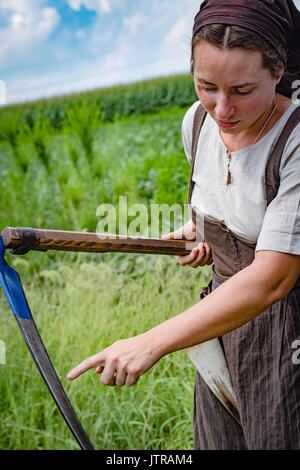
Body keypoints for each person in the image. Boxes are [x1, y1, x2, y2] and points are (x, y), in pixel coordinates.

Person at [67, 0, 300, 450]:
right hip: (220, 323)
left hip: (285, 330)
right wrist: (200, 231)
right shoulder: (195, 124)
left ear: (278, 70)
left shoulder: (293, 139)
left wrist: (152, 342)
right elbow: (222, 201)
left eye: (242, 89)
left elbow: (274, 276)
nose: (222, 108)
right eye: (206, 85)